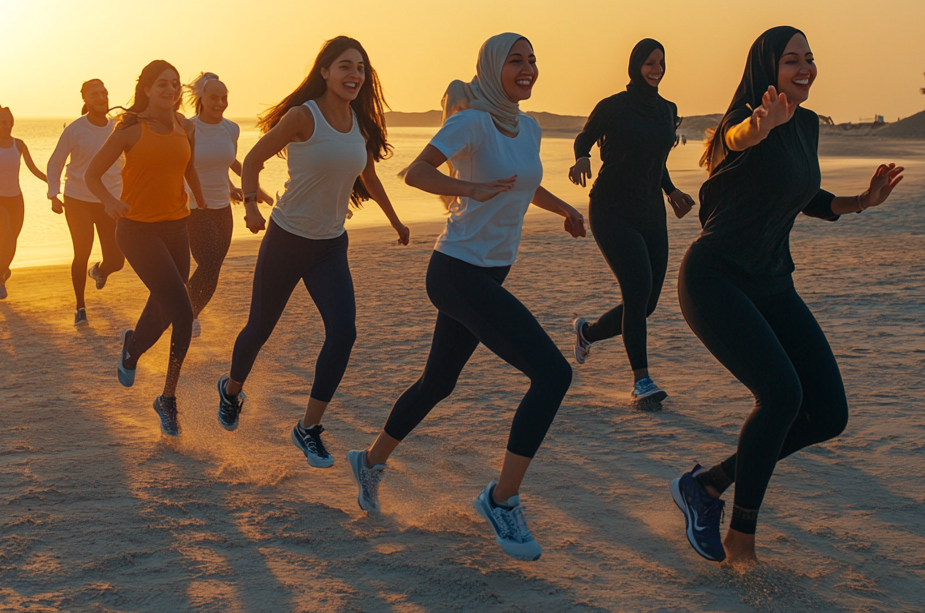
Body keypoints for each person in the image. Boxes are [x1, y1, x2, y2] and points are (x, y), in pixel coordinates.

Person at [669, 26, 904, 567]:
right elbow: (736, 141)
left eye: (810, 58)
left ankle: (706, 486)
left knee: (827, 414)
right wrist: (758, 124)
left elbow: (808, 197)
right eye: (791, 59)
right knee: (779, 396)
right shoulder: (745, 122)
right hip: (715, 279)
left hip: (773, 281)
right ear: (766, 69)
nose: (805, 67)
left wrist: (862, 201)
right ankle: (741, 540)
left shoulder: (806, 127)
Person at [347, 33, 586, 562]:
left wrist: (563, 209)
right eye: (515, 61)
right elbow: (417, 172)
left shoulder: (529, 127)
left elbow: (522, 183)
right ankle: (502, 499)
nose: (527, 68)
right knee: (553, 374)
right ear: (491, 67)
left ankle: (370, 460)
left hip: (490, 272)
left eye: (532, 60)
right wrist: (467, 190)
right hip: (456, 272)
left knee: (438, 382)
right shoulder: (472, 120)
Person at [216, 36, 409, 469]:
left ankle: (308, 428)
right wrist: (249, 205)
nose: (354, 75)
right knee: (259, 329)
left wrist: (395, 220)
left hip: (330, 246)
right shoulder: (303, 117)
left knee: (344, 333)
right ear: (324, 71)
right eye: (344, 66)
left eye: (360, 67)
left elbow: (370, 179)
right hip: (286, 239)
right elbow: (252, 160)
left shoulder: (360, 123)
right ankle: (231, 390)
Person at [567, 38, 695, 408]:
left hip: (651, 210)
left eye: (661, 62)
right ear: (635, 64)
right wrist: (580, 159)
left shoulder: (667, 110)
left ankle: (587, 332)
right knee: (637, 290)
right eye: (649, 62)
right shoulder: (614, 107)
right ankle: (642, 382)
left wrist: (670, 191)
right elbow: (584, 138)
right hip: (611, 209)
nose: (656, 69)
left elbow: (655, 160)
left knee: (648, 302)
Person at [85, 60, 205, 437]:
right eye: (162, 85)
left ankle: (132, 348)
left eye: (175, 84)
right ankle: (168, 399)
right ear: (148, 89)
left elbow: (187, 169)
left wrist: (202, 203)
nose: (170, 90)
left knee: (167, 310)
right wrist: (109, 202)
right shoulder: (129, 130)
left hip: (176, 227)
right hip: (136, 230)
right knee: (183, 311)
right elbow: (91, 174)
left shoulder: (186, 127)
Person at [184, 72, 271, 338]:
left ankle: (189, 315)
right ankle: (183, 312)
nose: (220, 103)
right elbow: (178, 165)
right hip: (193, 207)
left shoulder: (231, 129)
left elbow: (230, 161)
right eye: (214, 98)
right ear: (201, 98)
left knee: (214, 267)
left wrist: (254, 192)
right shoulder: (188, 127)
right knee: (208, 263)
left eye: (224, 98)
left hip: (223, 207)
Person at [47, 79, 126, 326]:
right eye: (95, 94)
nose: (101, 97)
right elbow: (56, 162)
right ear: (85, 99)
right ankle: (80, 307)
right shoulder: (75, 130)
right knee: (81, 252)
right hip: (78, 199)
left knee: (117, 261)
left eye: (104, 92)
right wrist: (53, 193)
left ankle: (100, 271)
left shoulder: (118, 128)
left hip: (109, 201)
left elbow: (131, 162)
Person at [0, 105, 48, 300]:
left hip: (16, 199)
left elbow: (33, 168)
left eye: (8, 118)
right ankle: (0, 280)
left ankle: (1, 271)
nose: (5, 121)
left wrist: (49, 179)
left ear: (12, 122)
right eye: (1, 118)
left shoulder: (19, 144)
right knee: (5, 238)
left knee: (12, 241)